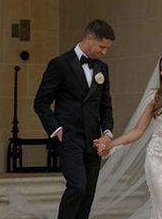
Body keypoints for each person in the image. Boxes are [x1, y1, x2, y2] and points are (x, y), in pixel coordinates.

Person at [89, 47, 162, 219]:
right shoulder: (155, 96)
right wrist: (111, 144)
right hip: (157, 159)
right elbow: (138, 130)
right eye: (161, 68)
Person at [34, 20, 116, 219]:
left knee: (88, 194)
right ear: (89, 38)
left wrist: (107, 133)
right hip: (69, 137)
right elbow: (41, 102)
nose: (104, 52)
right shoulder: (59, 64)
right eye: (102, 47)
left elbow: (106, 105)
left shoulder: (102, 69)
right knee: (78, 187)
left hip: (93, 140)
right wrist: (57, 130)